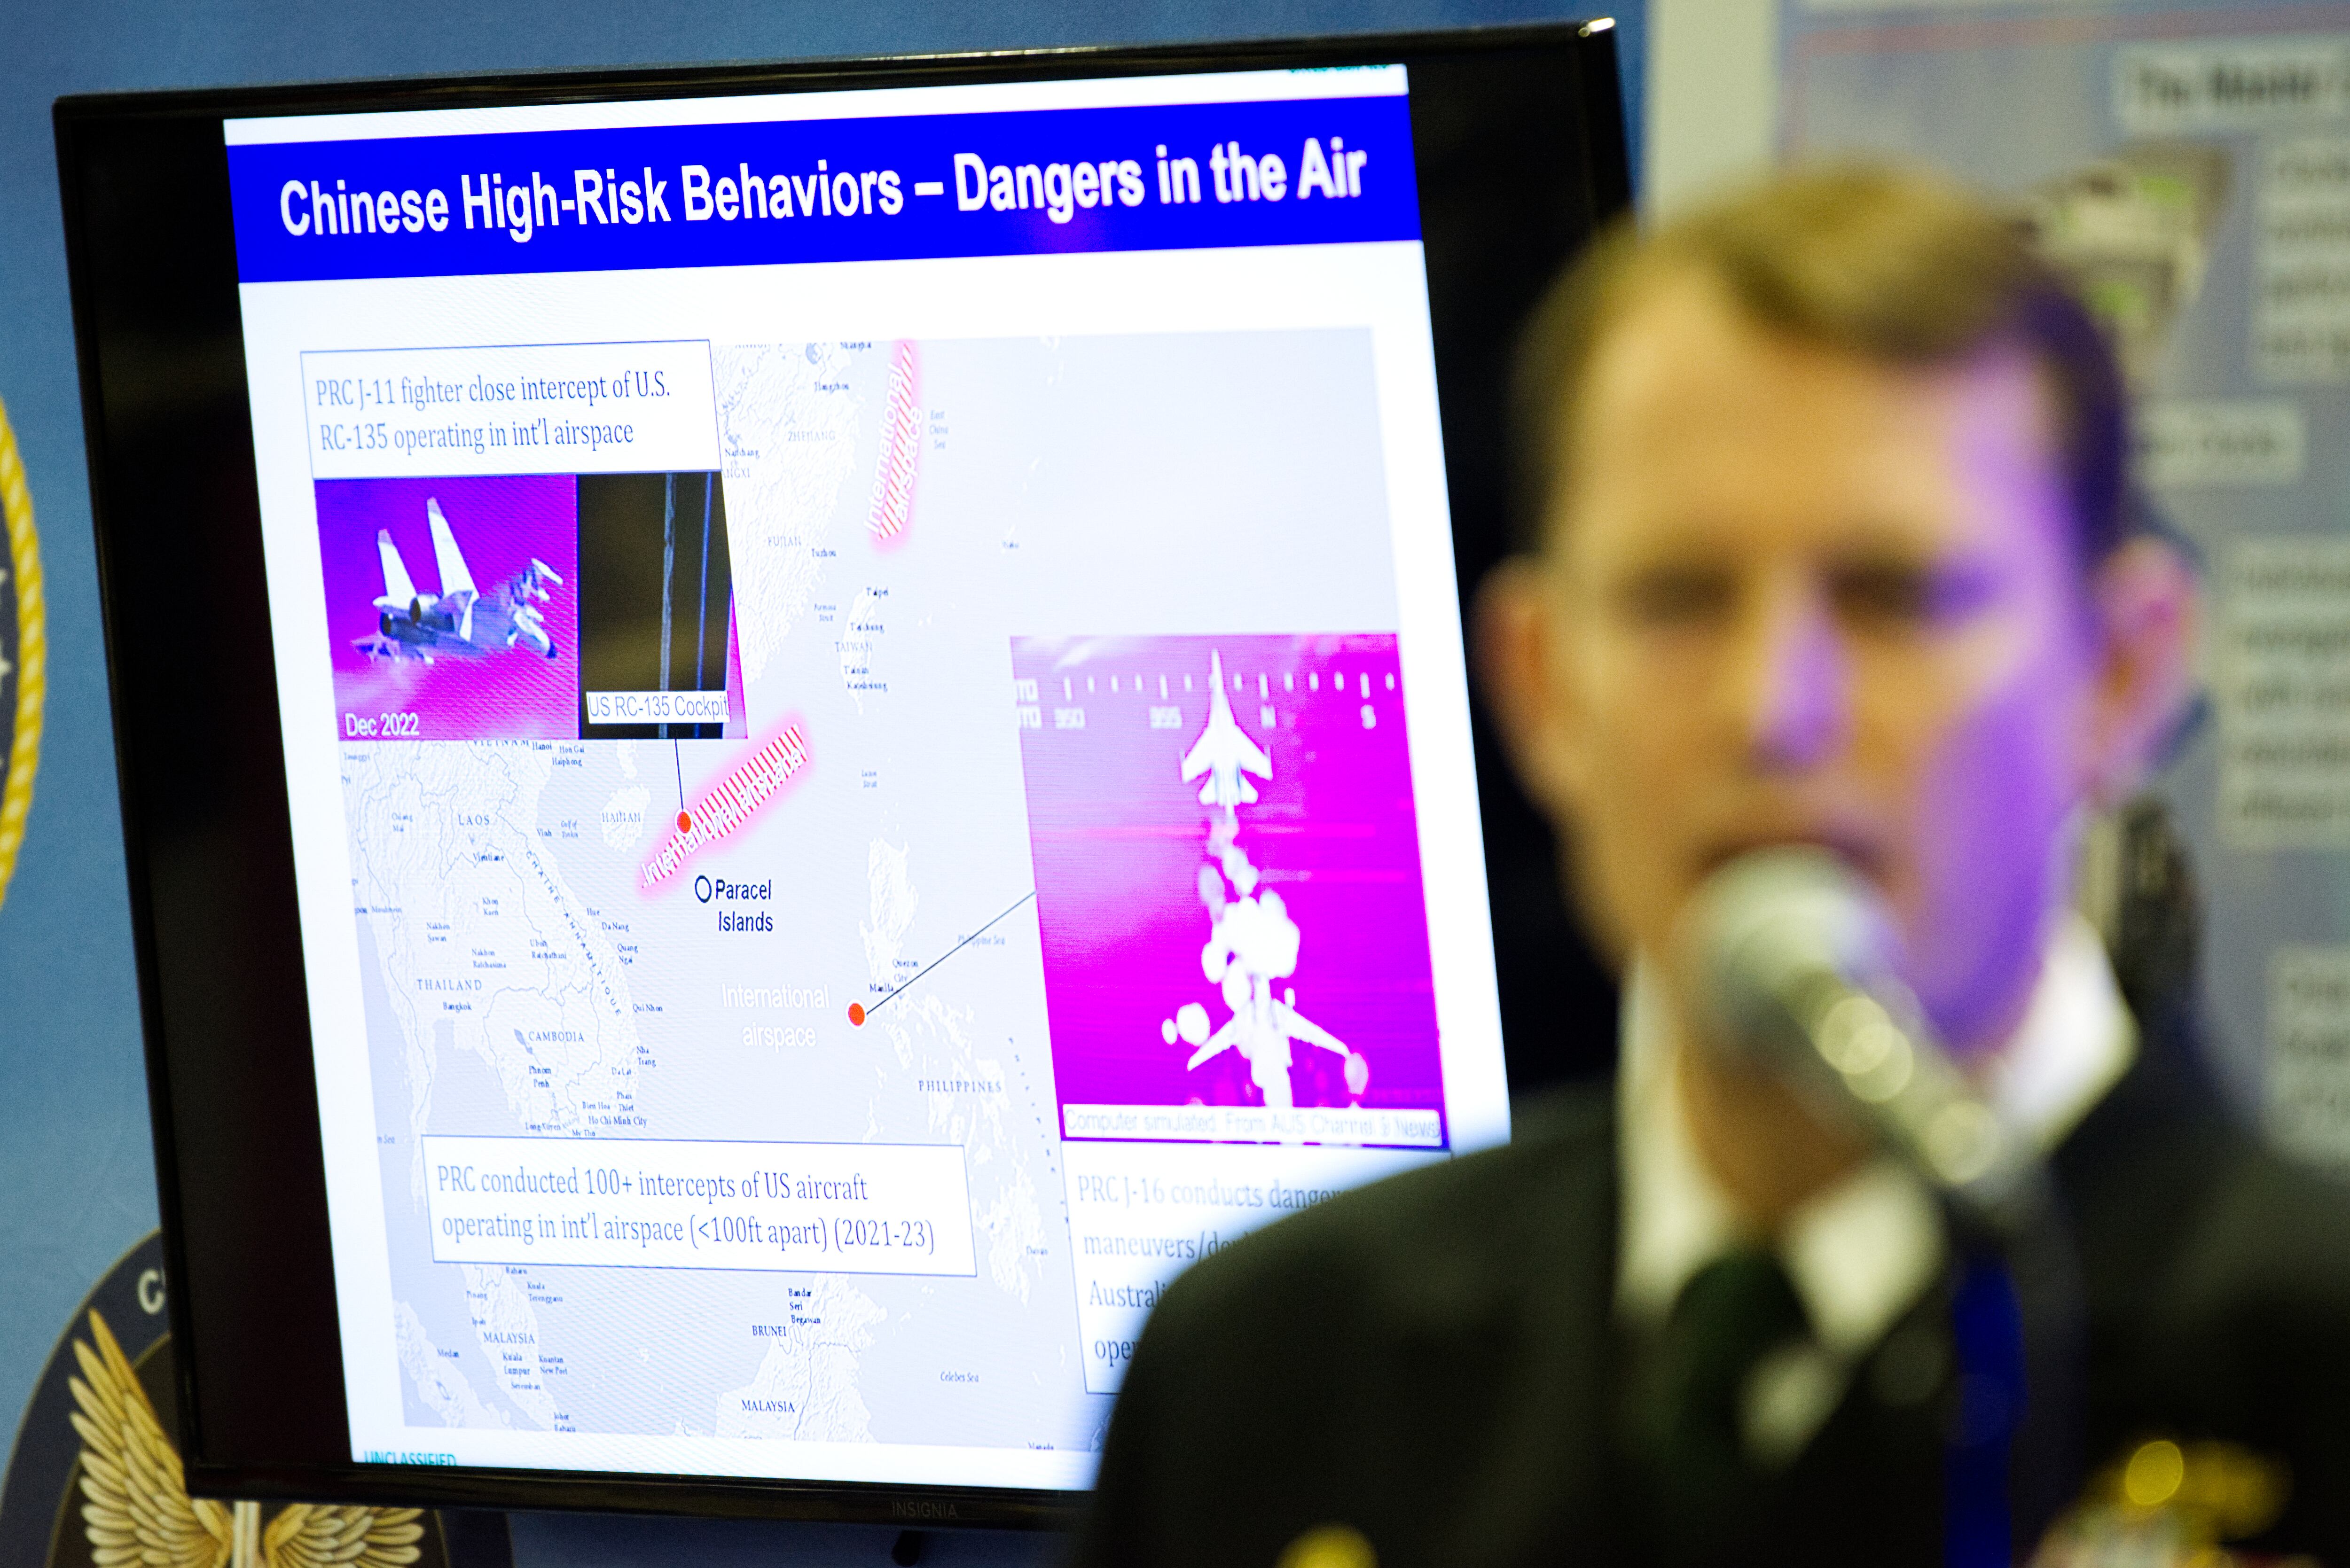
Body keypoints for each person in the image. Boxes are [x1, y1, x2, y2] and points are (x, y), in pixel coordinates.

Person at [1071, 165, 2350, 1567]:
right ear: (1543, 687)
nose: (1773, 706)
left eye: (1894, 596)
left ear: (2119, 673)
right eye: (1678, 597)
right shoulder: (1271, 1374)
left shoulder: (2308, 1359)